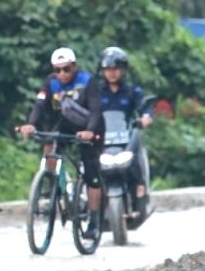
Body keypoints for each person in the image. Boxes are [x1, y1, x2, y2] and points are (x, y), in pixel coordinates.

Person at [17, 46, 103, 238]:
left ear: (74, 67)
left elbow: (97, 110)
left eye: (66, 69)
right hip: (64, 125)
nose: (62, 74)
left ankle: (94, 222)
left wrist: (89, 131)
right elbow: (39, 105)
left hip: (89, 127)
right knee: (49, 142)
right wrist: (30, 125)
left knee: (91, 174)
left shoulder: (87, 81)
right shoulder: (51, 82)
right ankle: (52, 181)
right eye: (57, 70)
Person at [96, 46, 153, 204]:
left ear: (123, 70)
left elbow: (144, 107)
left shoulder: (132, 91)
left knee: (137, 147)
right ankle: (86, 195)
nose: (112, 72)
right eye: (108, 69)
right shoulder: (96, 91)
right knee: (87, 160)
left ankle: (140, 184)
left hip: (124, 136)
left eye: (116, 68)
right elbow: (85, 107)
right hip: (102, 136)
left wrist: (146, 117)